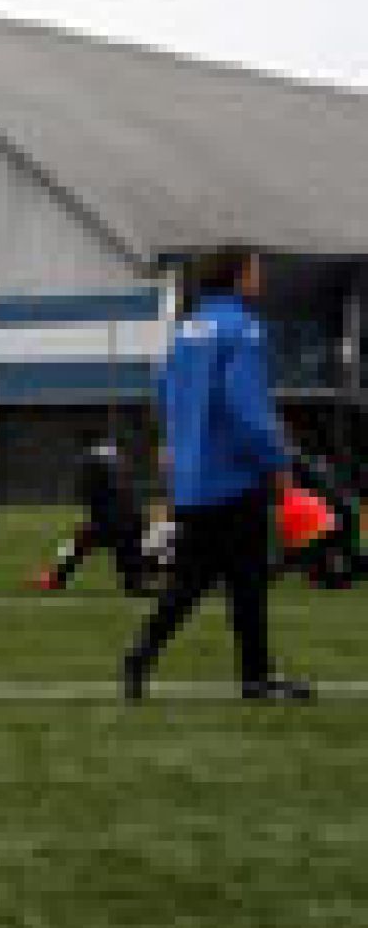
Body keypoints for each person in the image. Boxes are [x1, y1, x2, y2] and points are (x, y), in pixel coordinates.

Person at [122, 247, 312, 701]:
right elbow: (246, 407)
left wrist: (175, 443)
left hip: (193, 478)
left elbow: (165, 390)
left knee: (190, 580)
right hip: (233, 477)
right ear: (238, 276)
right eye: (255, 269)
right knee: (247, 582)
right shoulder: (243, 329)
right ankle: (256, 677)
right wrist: (277, 461)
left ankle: (142, 654)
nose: (260, 277)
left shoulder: (187, 330)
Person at [33, 440, 153, 595]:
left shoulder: (104, 484)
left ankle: (58, 579)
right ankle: (135, 583)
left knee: (92, 543)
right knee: (92, 543)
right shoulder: (108, 485)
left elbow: (114, 509)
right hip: (116, 522)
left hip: (114, 524)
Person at [275, 453, 365, 589]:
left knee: (331, 546)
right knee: (330, 546)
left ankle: (333, 575)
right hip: (324, 518)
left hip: (326, 518)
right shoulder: (322, 488)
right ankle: (332, 575)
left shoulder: (316, 488)